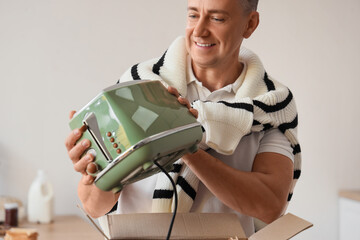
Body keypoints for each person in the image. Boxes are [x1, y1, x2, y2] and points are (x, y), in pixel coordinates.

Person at [65, 0, 301, 236]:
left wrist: (185, 140)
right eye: (193, 15)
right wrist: (93, 174)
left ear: (250, 24)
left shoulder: (270, 106)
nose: (199, 30)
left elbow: (269, 205)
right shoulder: (138, 87)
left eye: (217, 18)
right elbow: (94, 206)